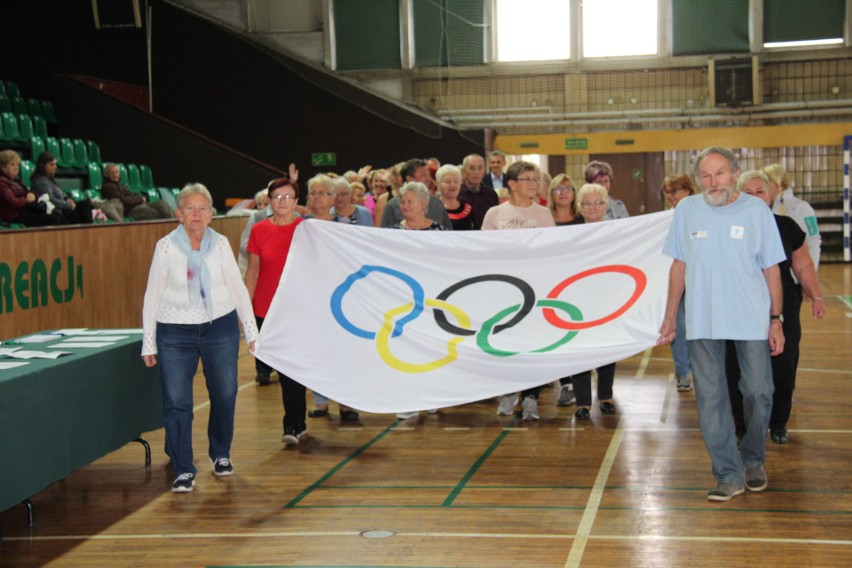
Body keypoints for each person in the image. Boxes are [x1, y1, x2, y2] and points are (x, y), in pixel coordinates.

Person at [657, 147, 786, 502]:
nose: (713, 182)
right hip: (702, 322)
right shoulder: (687, 210)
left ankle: (753, 459)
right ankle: (728, 473)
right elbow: (678, 267)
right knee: (711, 399)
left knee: (759, 392)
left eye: (720, 173)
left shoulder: (756, 210)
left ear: (735, 173)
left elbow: (772, 269)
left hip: (751, 319)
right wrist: (670, 318)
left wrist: (776, 320)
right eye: (706, 175)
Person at [141, 183, 258, 493]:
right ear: (179, 214)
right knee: (177, 401)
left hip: (219, 326)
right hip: (174, 330)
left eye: (202, 208)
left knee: (225, 393)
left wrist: (251, 330)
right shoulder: (165, 247)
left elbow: (237, 288)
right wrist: (148, 341)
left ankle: (220, 453)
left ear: (212, 215)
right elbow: (152, 295)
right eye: (189, 208)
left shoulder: (220, 245)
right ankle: (182, 467)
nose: (196, 213)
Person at [725, 170, 826, 445]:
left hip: (782, 309)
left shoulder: (786, 226)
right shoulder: (726, 227)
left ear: (770, 195)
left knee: (783, 369)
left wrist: (816, 296)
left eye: (760, 191)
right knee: (736, 371)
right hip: (739, 310)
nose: (755, 197)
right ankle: (742, 426)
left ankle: (779, 422)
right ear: (737, 195)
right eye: (748, 192)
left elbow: (802, 264)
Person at [245, 177, 319, 444]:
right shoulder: (259, 230)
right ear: (269, 200)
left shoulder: (307, 230)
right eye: (277, 197)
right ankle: (295, 421)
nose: (282, 202)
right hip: (266, 309)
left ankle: (294, 424)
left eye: (288, 197)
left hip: (297, 309)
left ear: (296, 201)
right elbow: (253, 272)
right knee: (275, 364)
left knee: (291, 368)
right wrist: (246, 310)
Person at [482, 161, 555, 420]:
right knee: (504, 342)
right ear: (512, 184)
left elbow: (551, 253)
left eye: (535, 178)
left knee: (531, 344)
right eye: (527, 178)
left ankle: (531, 398)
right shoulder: (494, 214)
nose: (534, 183)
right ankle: (508, 392)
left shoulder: (544, 215)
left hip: (535, 289)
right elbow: (484, 252)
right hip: (503, 290)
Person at [302, 174, 361, 422]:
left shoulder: (344, 228)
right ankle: (320, 400)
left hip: (340, 296)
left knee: (345, 350)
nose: (318, 197)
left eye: (324, 193)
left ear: (334, 197)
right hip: (311, 297)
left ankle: (348, 403)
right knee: (319, 350)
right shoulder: (301, 226)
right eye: (313, 192)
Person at [564, 184, 619, 420]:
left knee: (607, 350)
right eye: (587, 203)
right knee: (580, 352)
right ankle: (583, 402)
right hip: (578, 301)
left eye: (598, 202)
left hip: (608, 299)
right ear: (580, 207)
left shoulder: (619, 233)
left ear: (606, 205)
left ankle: (605, 397)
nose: (593, 207)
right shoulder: (570, 235)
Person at [547, 174, 583, 407]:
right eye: (558, 189)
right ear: (551, 192)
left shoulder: (581, 220)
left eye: (567, 188)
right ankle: (565, 383)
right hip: (550, 284)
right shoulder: (544, 218)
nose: (562, 193)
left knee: (576, 335)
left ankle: (578, 383)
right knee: (557, 335)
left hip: (576, 284)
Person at [662, 174, 697, 391]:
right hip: (676, 279)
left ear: (688, 191)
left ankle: (699, 370)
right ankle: (683, 371)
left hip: (699, 279)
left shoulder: (701, 212)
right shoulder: (665, 218)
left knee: (699, 327)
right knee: (679, 326)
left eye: (675, 191)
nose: (671, 197)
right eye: (668, 192)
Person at [762, 163, 822, 270]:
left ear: (776, 182)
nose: (763, 187)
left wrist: (809, 274)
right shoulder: (765, 208)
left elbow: (813, 241)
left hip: (795, 277)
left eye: (766, 183)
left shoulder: (802, 207)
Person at [380, 158, 452, 229]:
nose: (429, 179)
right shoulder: (391, 206)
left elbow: (448, 235)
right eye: (423, 175)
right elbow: (385, 236)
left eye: (428, 175)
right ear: (410, 179)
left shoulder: (437, 203)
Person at [0, 149, 63, 226]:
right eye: (12, 165)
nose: (16, 168)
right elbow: (12, 202)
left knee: (57, 213)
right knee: (53, 219)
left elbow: (28, 193)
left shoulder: (16, 181)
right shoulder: (2, 182)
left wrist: (33, 195)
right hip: (14, 215)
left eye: (17, 165)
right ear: (2, 167)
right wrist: (27, 200)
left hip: (25, 210)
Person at [30, 152, 94, 224]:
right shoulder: (40, 182)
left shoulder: (50, 179)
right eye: (51, 164)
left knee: (85, 204)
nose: (55, 167)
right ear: (43, 166)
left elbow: (61, 194)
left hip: (63, 207)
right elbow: (51, 200)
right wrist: (68, 205)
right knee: (79, 215)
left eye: (55, 164)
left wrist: (67, 199)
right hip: (57, 211)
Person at [100, 163, 174, 221]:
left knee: (162, 203)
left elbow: (131, 194)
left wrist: (141, 198)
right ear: (107, 174)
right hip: (130, 211)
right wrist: (140, 199)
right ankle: (177, 229)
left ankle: (177, 224)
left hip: (137, 206)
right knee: (157, 213)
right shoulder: (108, 187)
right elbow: (123, 201)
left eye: (116, 172)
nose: (115, 175)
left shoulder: (119, 184)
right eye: (112, 173)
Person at [459, 154, 500, 229]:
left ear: (485, 170)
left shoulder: (491, 194)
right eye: (471, 168)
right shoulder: (457, 194)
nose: (476, 172)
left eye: (480, 168)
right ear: (463, 171)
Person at [437, 164, 474, 231]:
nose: (452, 185)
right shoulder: (431, 209)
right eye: (448, 181)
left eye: (456, 181)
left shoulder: (468, 209)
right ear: (438, 185)